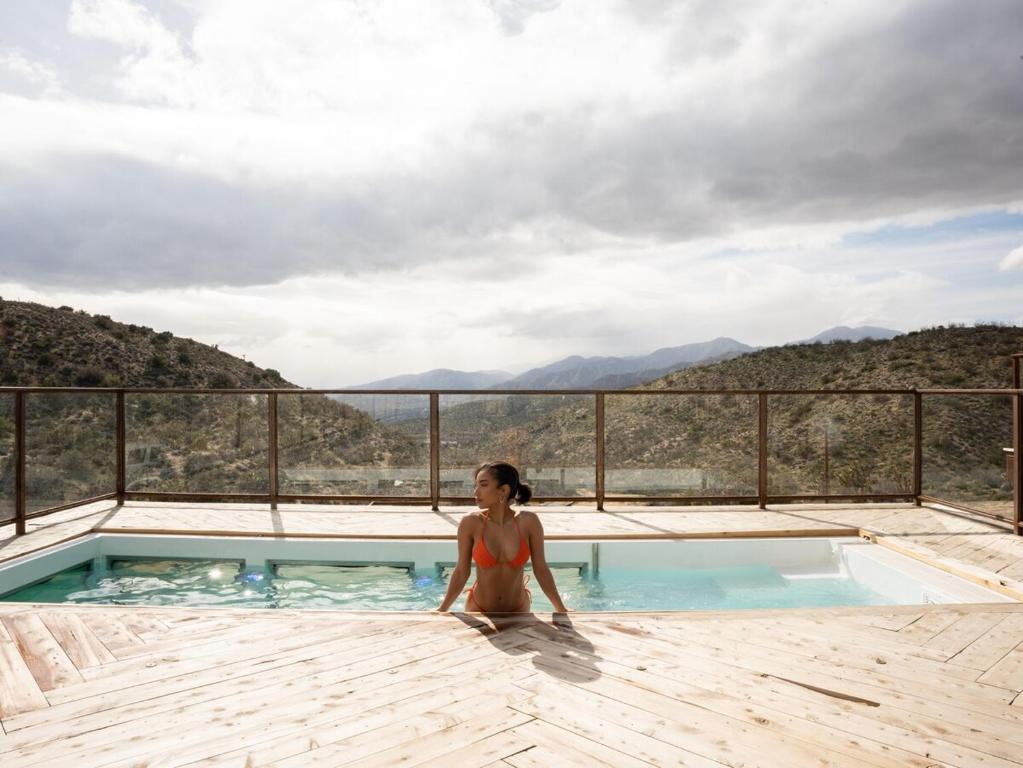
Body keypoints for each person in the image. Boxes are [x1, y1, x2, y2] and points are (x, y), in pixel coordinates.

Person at [437, 461, 568, 614]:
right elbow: (461, 571)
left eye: (483, 485)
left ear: (503, 490)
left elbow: (541, 569)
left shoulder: (529, 522)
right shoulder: (471, 523)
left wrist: (561, 609)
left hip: (518, 609)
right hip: (478, 608)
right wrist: (442, 609)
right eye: (476, 485)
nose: (476, 492)